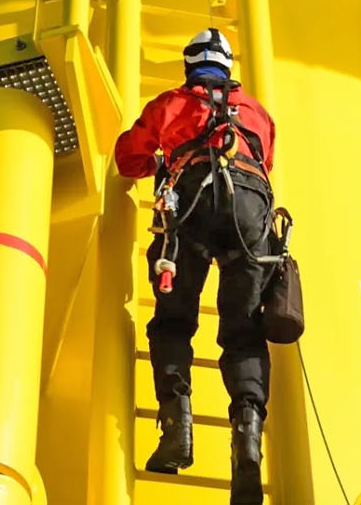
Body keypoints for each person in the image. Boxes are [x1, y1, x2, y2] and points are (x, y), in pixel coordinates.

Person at [114, 28, 277, 504]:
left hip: (191, 204)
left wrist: (163, 155)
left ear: (190, 68)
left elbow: (129, 159)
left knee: (174, 321)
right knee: (245, 332)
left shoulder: (171, 104)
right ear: (229, 70)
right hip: (252, 215)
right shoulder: (259, 114)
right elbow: (266, 162)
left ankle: (176, 431)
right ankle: (247, 441)